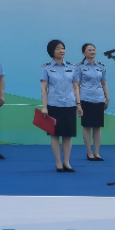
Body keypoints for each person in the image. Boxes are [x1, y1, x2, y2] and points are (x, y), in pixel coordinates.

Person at [41, 40, 81, 172]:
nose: (61, 50)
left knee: (68, 135)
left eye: (63, 48)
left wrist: (78, 104)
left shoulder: (72, 67)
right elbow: (44, 89)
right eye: (58, 48)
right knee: (55, 134)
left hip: (70, 104)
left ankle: (67, 162)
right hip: (54, 105)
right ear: (52, 51)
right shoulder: (46, 68)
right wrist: (45, 107)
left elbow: (76, 87)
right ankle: (58, 162)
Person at [77, 43, 109, 161]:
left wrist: (107, 97)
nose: (92, 52)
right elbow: (77, 85)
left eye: (93, 50)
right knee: (87, 126)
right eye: (89, 50)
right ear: (83, 53)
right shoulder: (80, 67)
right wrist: (77, 102)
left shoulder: (101, 66)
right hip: (86, 98)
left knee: (97, 126)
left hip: (99, 99)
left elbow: (104, 83)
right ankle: (89, 152)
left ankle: (97, 152)